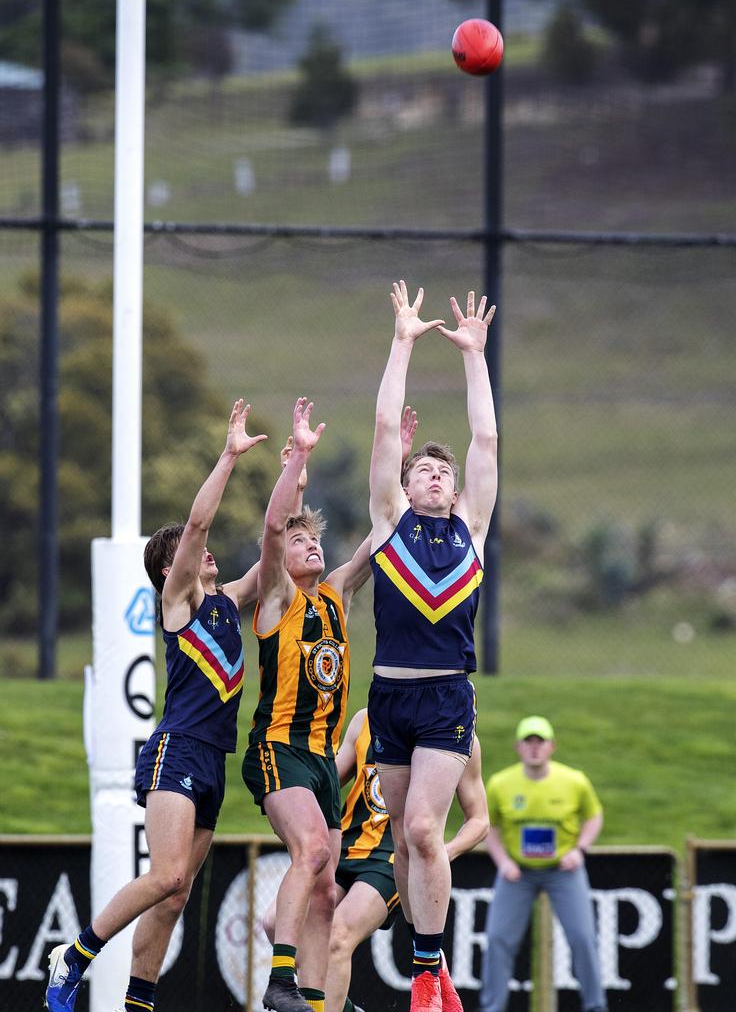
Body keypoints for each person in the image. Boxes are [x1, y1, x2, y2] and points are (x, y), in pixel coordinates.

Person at [45, 399, 268, 1012]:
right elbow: (195, 528)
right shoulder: (180, 603)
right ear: (173, 568)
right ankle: (78, 953)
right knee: (166, 875)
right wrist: (227, 457)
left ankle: (136, 1004)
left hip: (213, 760)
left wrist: (295, 464)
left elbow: (272, 551)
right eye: (193, 552)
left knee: (174, 898)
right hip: (177, 751)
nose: (207, 552)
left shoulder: (228, 600)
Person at [367, 281, 498, 1012]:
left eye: (443, 472)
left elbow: (485, 441)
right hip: (389, 696)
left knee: (425, 829)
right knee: (404, 846)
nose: (435, 473)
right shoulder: (389, 525)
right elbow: (387, 427)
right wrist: (404, 340)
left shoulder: (472, 530)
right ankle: (437, 975)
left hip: (447, 693)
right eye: (425, 468)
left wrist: (474, 357)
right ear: (407, 484)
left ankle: (423, 975)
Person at [241, 397, 373, 1012]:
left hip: (322, 760)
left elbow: (379, 541)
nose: (308, 547)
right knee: (313, 853)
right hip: (279, 749)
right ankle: (280, 981)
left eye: (312, 539)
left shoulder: (337, 595)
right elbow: (271, 530)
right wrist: (297, 458)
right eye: (299, 542)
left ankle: (314, 1003)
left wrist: (405, 487)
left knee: (327, 894)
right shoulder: (277, 600)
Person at [262, 707, 489, 1012]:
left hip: (392, 858)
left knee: (337, 937)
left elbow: (479, 820)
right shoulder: (366, 719)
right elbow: (330, 781)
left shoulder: (458, 735)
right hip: (342, 846)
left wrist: (437, 855)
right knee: (275, 922)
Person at [481, 716, 607, 1012]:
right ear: (518, 747)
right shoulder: (501, 783)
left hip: (563, 872)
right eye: (529, 742)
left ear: (552, 746)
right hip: (518, 874)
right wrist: (502, 862)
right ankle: (491, 1008)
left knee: (583, 937)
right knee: (498, 938)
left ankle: (596, 1006)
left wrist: (580, 850)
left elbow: (594, 816)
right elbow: (489, 825)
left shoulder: (574, 781)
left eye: (541, 742)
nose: (535, 748)